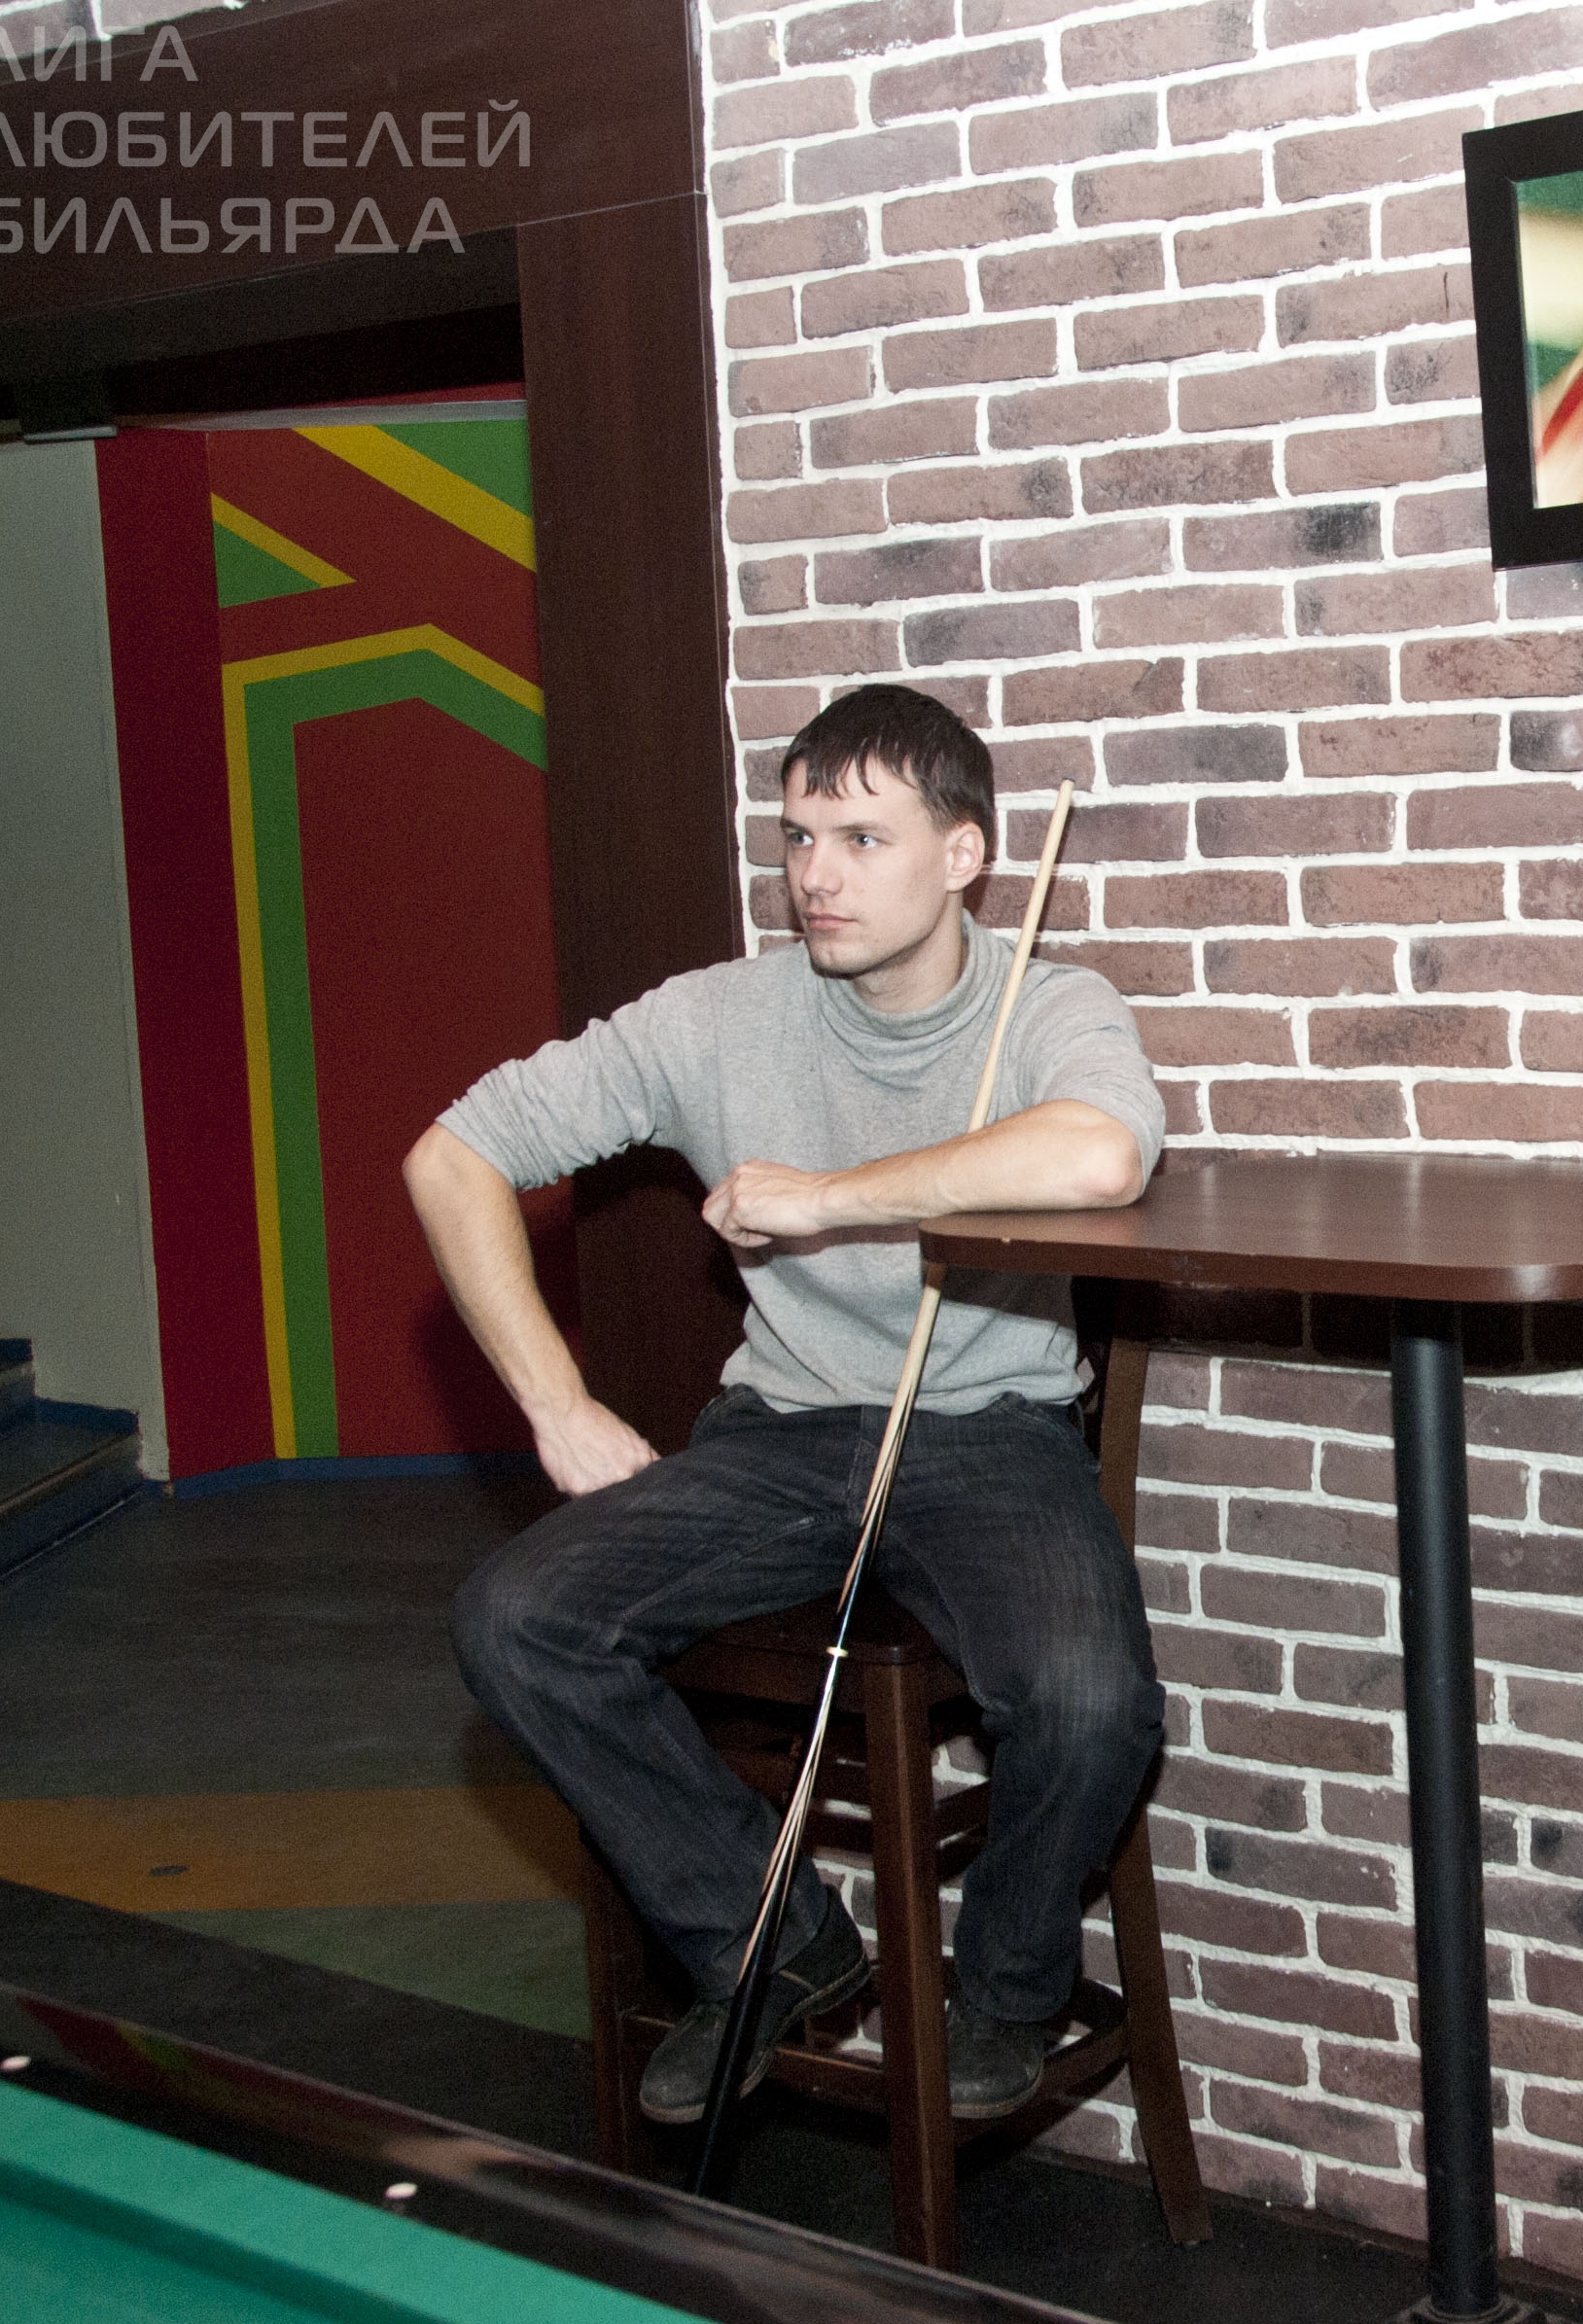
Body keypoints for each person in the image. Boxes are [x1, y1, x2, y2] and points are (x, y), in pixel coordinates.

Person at [407, 684, 1166, 2130]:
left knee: (1092, 1701)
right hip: (785, 1429)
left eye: (864, 839)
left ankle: (1007, 1989)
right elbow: (453, 1157)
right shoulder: (717, 1016)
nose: (818, 874)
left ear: (964, 855)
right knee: (517, 1621)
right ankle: (776, 1947)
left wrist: (828, 1200)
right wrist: (555, 1403)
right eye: (801, 836)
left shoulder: (1050, 1002)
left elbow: (1097, 1159)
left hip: (990, 1433)